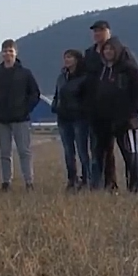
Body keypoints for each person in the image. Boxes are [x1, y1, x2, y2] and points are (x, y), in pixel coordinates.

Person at [83, 20, 138, 191]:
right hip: (102, 117)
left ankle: (137, 188)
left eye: (101, 30)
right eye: (95, 31)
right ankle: (109, 186)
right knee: (104, 154)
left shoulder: (126, 60)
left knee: (131, 154)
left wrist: (131, 111)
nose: (98, 34)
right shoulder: (93, 58)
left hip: (124, 119)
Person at [0, 39, 40, 192]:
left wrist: (26, 109)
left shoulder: (25, 73)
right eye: (5, 51)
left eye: (10, 51)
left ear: (15, 53)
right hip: (1, 120)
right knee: (4, 152)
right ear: (1, 53)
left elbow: (35, 94)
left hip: (21, 119)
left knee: (24, 151)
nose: (7, 54)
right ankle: (5, 182)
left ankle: (29, 181)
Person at [52, 49, 90, 191]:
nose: (67, 60)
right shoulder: (61, 77)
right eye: (65, 57)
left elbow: (87, 98)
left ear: (77, 59)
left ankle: (86, 178)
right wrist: (55, 106)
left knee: (82, 150)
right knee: (68, 151)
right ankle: (72, 179)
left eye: (70, 57)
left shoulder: (84, 78)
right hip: (63, 118)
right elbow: (57, 94)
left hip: (79, 118)